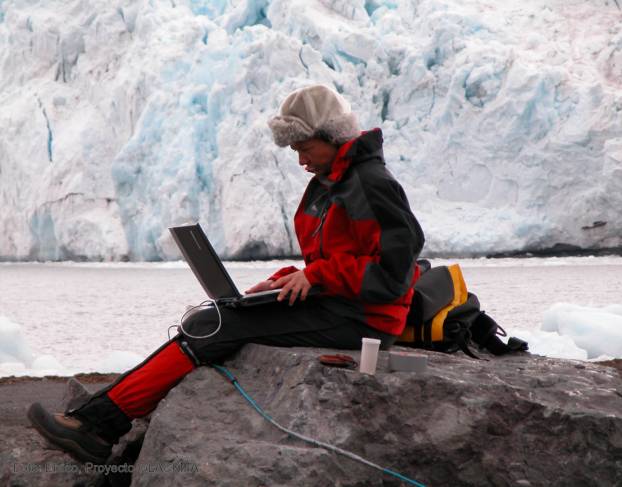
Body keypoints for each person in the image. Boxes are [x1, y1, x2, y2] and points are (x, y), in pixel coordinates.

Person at [27, 84, 425, 464]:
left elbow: (394, 273)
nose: (301, 160)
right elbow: (340, 257)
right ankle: (94, 420)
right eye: (295, 151)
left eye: (305, 148)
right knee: (209, 319)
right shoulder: (331, 182)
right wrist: (287, 279)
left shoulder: (372, 184)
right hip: (339, 304)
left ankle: (97, 428)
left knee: (212, 326)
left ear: (332, 135)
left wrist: (318, 277)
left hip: (366, 319)